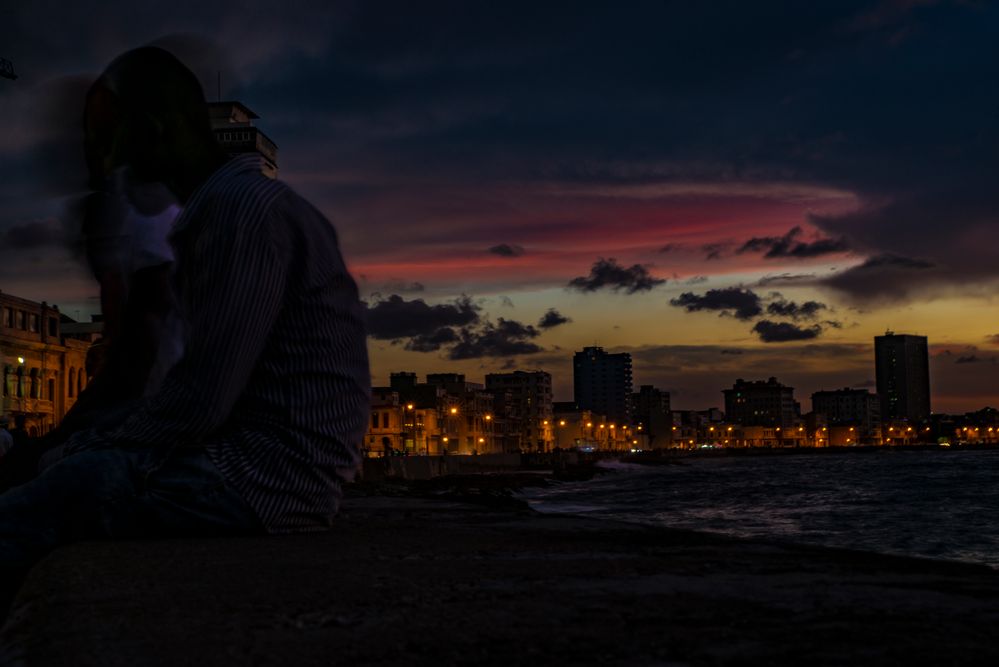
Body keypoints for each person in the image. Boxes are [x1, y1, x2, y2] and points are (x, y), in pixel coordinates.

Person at [0, 46, 370, 609]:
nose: (100, 165)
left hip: (258, 481)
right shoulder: (237, 206)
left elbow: (200, 399)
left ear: (152, 130)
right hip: (276, 472)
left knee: (46, 498)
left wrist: (84, 445)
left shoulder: (237, 214)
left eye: (106, 142)